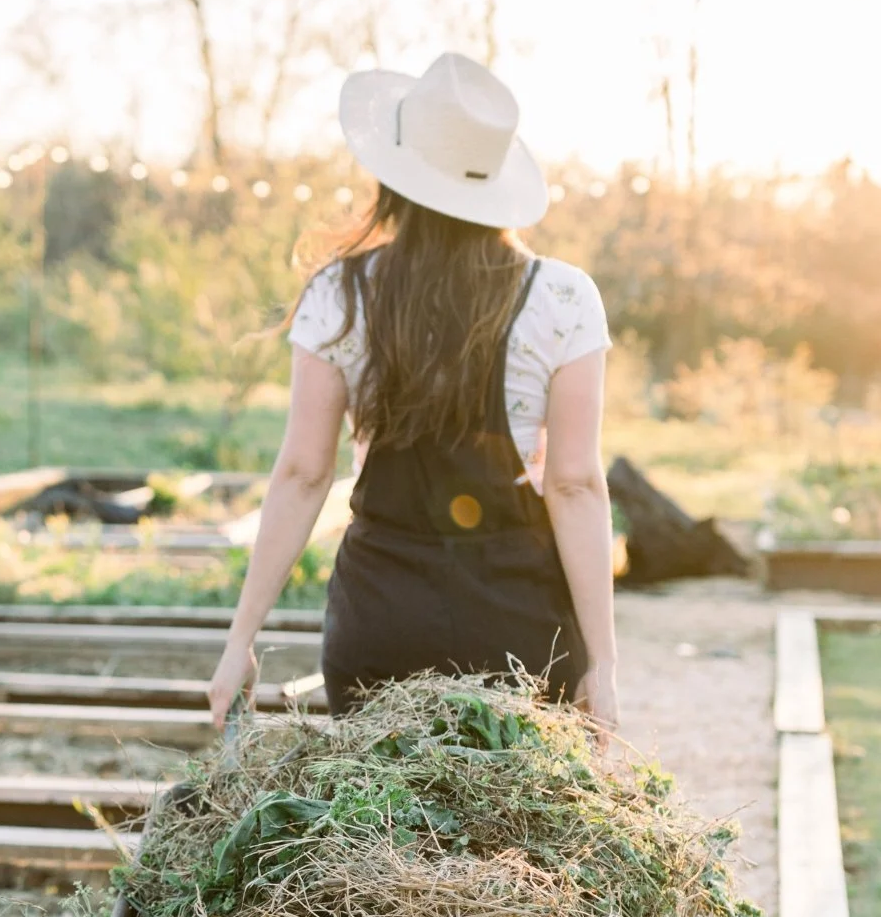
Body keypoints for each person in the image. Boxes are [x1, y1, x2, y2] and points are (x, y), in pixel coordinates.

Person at [208, 50, 618, 729]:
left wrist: (239, 641)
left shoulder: (340, 293)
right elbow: (573, 484)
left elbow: (303, 473)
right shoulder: (563, 297)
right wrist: (602, 663)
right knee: (511, 831)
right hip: (516, 629)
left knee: (383, 827)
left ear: (393, 176)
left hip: (379, 624)